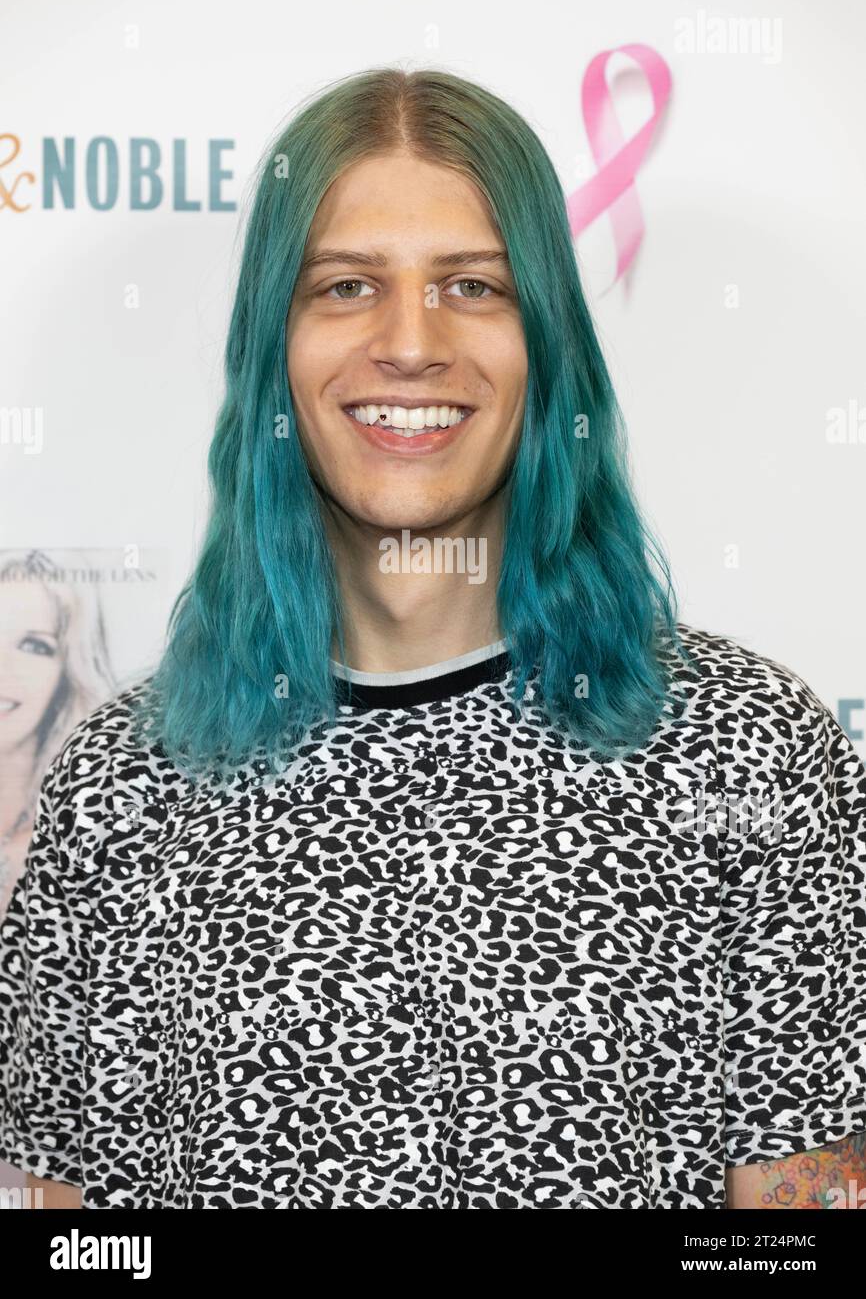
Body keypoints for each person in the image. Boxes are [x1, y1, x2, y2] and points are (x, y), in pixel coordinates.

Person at [1, 66, 864, 1210]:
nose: (410, 343)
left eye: (471, 284)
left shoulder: (750, 751)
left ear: (545, 345)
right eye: (348, 285)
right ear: (276, 348)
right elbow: (74, 1236)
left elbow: (797, 1228)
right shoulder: (124, 786)